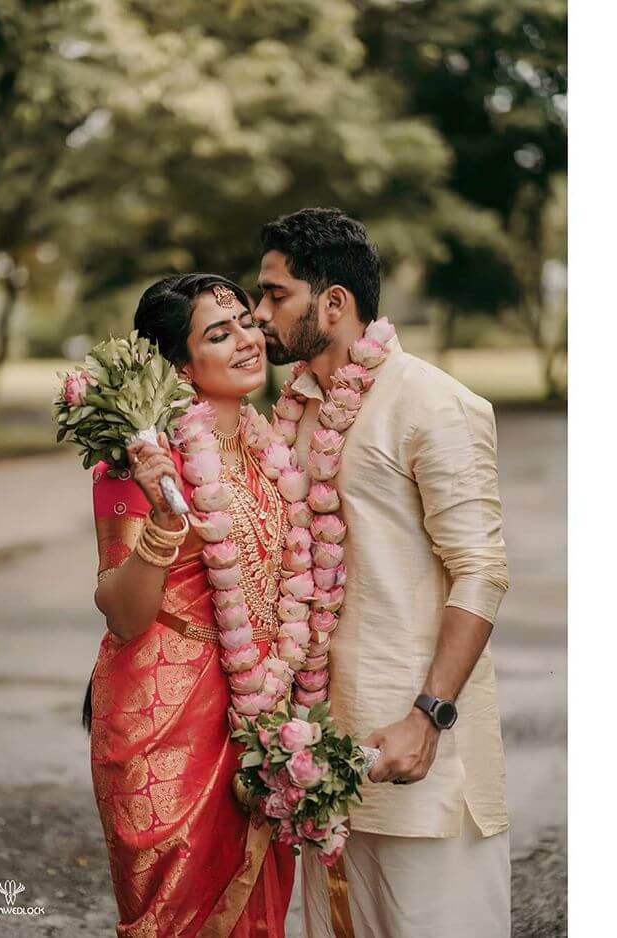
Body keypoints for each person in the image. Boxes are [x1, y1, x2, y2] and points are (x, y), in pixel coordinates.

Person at [254, 208, 511, 938]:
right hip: (319, 754)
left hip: (413, 753)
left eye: (275, 295)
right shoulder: (295, 409)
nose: (258, 313)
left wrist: (430, 716)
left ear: (333, 303)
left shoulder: (435, 403)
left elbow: (482, 570)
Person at [83, 273, 295, 937]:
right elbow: (123, 612)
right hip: (165, 730)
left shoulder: (271, 454)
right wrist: (164, 522)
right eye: (218, 332)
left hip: (263, 715)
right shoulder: (136, 462)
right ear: (180, 365)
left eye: (245, 321)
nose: (246, 339)